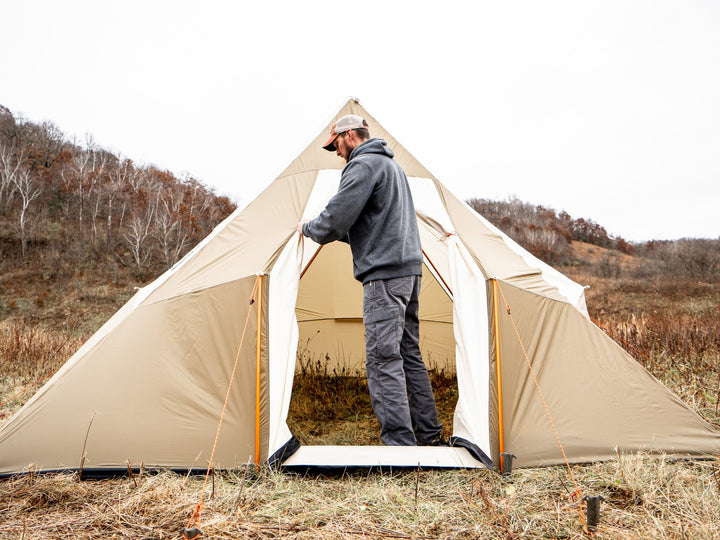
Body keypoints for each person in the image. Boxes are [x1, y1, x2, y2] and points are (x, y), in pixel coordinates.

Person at [296, 114, 445, 446]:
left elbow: (334, 220)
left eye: (335, 144)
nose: (336, 152)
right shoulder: (392, 168)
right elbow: (370, 225)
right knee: (408, 353)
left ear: (349, 135)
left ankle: (400, 447)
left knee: (383, 357)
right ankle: (429, 436)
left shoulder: (363, 165)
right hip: (408, 271)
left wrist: (307, 227)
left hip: (385, 276)